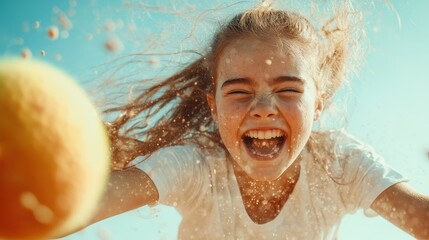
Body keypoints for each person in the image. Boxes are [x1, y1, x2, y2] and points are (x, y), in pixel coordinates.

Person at [70, 2, 429, 240]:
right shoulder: (195, 165)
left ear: (318, 104)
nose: (262, 108)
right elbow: (78, 206)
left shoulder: (339, 163)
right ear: (213, 106)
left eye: (287, 89)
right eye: (239, 91)